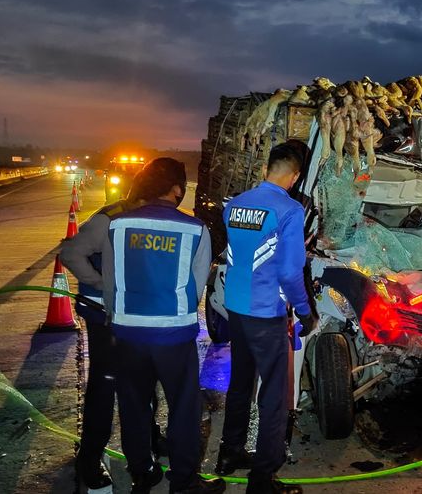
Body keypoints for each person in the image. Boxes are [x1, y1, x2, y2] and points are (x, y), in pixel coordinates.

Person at [64, 158, 225, 494]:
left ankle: (142, 475)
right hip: (173, 334)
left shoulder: (117, 224)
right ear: (177, 189)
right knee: (183, 407)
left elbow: (111, 279)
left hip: (127, 333)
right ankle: (184, 482)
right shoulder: (195, 229)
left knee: (134, 405)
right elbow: (196, 288)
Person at [216, 142, 317, 494]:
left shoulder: (236, 204)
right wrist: (305, 311)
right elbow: (291, 272)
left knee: (240, 383)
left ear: (265, 169)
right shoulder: (289, 209)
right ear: (295, 176)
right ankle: (262, 479)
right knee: (273, 395)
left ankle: (229, 454)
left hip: (236, 308)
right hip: (265, 313)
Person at [61, 179, 167, 491]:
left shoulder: (140, 218)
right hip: (103, 316)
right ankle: (89, 459)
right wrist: (100, 285)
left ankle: (150, 438)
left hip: (131, 315)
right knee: (104, 386)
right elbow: (70, 253)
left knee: (144, 381)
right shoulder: (108, 220)